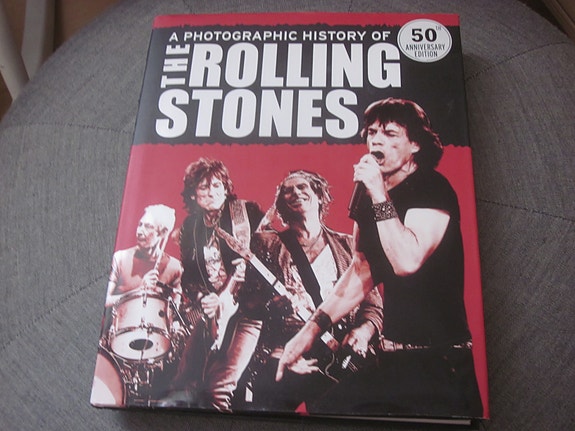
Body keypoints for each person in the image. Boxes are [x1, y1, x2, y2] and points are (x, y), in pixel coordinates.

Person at [276, 98, 484, 418]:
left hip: (440, 363)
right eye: (372, 132)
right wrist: (308, 332)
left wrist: (377, 193)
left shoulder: (432, 187)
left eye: (390, 133)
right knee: (326, 408)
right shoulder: (369, 195)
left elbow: (406, 261)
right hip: (392, 357)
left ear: (415, 144)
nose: (376, 140)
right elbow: (362, 270)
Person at [236, 170, 383, 413]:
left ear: (319, 195)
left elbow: (373, 304)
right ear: (281, 204)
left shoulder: (348, 245)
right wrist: (273, 306)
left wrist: (364, 331)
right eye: (287, 191)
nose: (295, 192)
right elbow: (247, 303)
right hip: (284, 352)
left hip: (340, 357)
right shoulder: (264, 243)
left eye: (302, 187)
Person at [164, 157, 264, 412]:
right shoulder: (191, 227)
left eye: (217, 185)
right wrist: (203, 298)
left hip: (250, 313)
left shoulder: (246, 212)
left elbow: (273, 257)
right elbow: (189, 277)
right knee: (182, 383)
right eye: (204, 187)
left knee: (216, 391)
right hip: (214, 314)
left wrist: (251, 272)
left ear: (226, 188)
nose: (212, 192)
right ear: (193, 194)